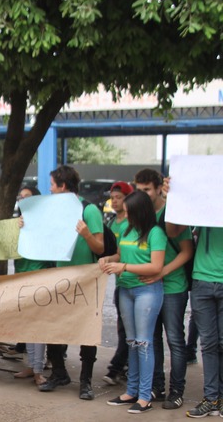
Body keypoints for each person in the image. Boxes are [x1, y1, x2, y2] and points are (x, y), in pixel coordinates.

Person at [38, 165, 104, 400]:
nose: (50, 189)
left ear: (63, 186)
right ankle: (59, 373)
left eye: (52, 185)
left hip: (85, 280)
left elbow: (100, 247)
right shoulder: (54, 211)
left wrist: (86, 234)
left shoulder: (89, 210)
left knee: (86, 331)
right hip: (58, 279)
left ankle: (85, 382)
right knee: (53, 328)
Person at [102, 190, 166, 414]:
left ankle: (145, 396)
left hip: (146, 292)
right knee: (131, 341)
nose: (125, 215)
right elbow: (120, 255)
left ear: (140, 211)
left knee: (144, 342)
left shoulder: (155, 233)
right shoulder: (126, 229)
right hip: (125, 291)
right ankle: (131, 391)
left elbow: (156, 267)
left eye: (129, 212)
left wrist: (124, 268)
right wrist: (109, 260)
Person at [163, 177, 223, 418]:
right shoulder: (205, 203)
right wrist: (173, 200)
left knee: (221, 342)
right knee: (208, 344)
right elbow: (172, 230)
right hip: (201, 280)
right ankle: (212, 399)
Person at [134, 168, 193, 410]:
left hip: (172, 287)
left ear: (160, 188)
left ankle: (176, 390)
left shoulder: (174, 211)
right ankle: (157, 386)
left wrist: (162, 272)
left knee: (176, 341)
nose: (143, 194)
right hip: (149, 287)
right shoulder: (140, 215)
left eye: (147, 190)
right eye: (139, 190)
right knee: (153, 339)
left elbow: (187, 251)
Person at [12, 186, 54, 386]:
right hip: (22, 278)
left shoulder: (46, 223)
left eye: (28, 197)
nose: (23, 199)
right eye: (21, 197)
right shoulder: (15, 224)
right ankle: (31, 366)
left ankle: (39, 369)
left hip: (40, 278)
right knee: (27, 326)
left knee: (39, 326)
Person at [103, 181, 134, 386]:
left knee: (127, 329)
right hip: (119, 282)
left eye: (119, 197)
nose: (114, 201)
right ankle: (126, 366)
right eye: (112, 197)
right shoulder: (112, 222)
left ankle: (116, 367)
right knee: (124, 327)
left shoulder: (131, 224)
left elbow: (120, 254)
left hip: (134, 280)